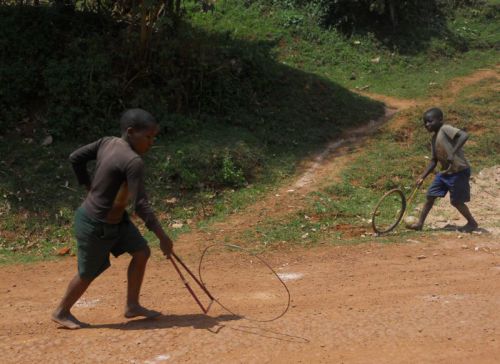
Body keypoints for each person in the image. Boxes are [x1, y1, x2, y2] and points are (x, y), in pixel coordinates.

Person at [52, 108, 173, 329]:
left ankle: (132, 305)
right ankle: (61, 311)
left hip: (117, 221)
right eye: (148, 136)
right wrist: (163, 236)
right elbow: (140, 204)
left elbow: (75, 158)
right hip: (96, 224)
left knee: (141, 252)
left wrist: (87, 186)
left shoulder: (107, 142)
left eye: (153, 137)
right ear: (130, 132)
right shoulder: (133, 161)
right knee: (87, 273)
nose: (151, 142)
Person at [408, 107, 478, 233]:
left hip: (459, 171)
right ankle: (419, 223)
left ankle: (472, 223)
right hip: (445, 173)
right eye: (425, 123)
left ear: (440, 120)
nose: (427, 125)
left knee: (456, 202)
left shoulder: (445, 129)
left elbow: (464, 135)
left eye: (430, 121)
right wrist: (422, 177)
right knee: (430, 195)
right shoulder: (434, 139)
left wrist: (453, 152)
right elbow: (434, 161)